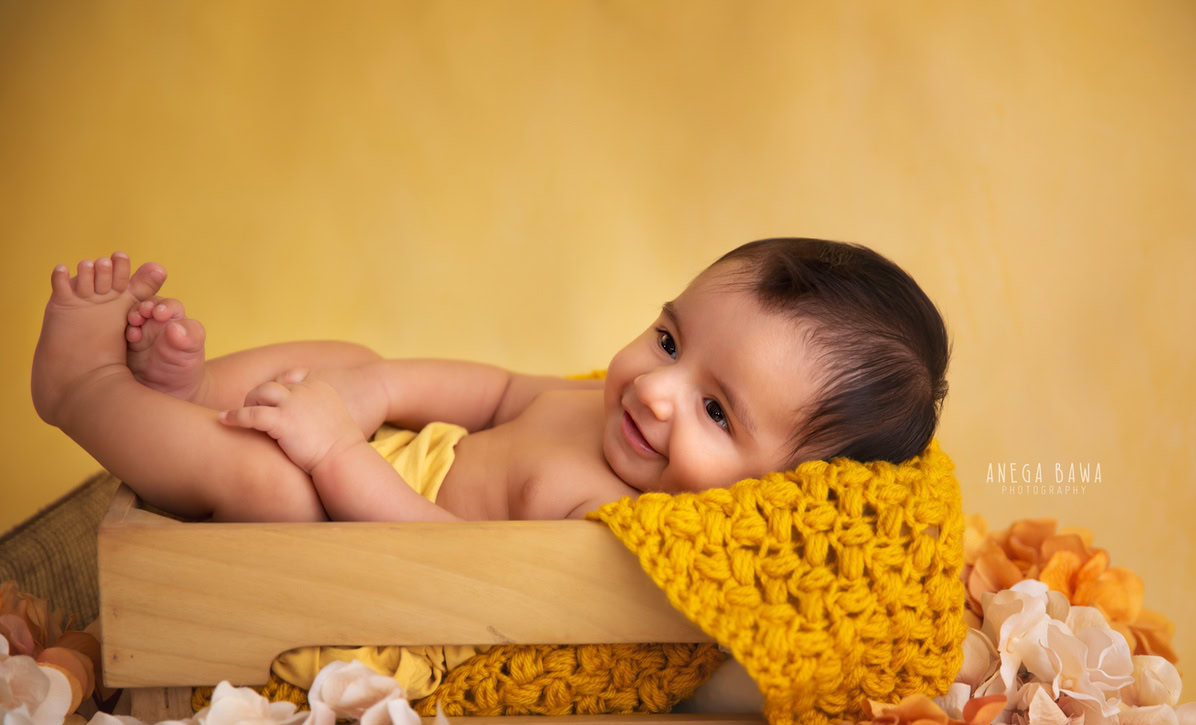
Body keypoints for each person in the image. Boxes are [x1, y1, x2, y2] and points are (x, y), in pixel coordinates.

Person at [30, 239, 951, 524]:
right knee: (346, 354)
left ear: (780, 494)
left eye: (717, 410)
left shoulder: (611, 520)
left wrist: (339, 450)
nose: (656, 390)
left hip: (357, 544)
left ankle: (86, 393)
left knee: (270, 485)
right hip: (369, 455)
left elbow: (440, 560)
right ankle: (183, 398)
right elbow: (498, 390)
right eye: (669, 339)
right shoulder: (600, 410)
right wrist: (373, 395)